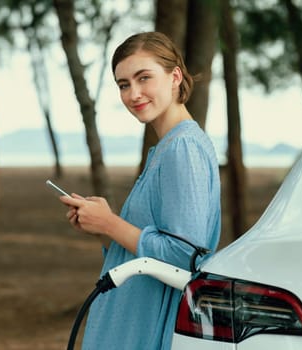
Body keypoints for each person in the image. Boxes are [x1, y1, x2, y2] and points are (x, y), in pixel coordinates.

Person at [59, 31, 221, 349]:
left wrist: (109, 222)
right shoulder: (167, 147)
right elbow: (149, 245)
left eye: (144, 78)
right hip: (129, 323)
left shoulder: (183, 147)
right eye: (123, 84)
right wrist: (101, 227)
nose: (134, 94)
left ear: (175, 76)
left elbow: (184, 255)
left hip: (146, 330)